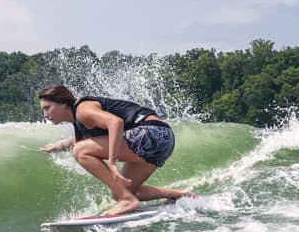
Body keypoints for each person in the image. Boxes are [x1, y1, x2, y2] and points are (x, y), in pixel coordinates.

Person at [38, 84, 190, 216]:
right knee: (121, 191)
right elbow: (87, 139)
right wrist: (58, 146)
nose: (45, 114)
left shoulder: (82, 110)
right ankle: (176, 195)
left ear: (63, 103)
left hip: (151, 133)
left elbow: (115, 123)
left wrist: (111, 162)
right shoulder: (80, 121)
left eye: (47, 108)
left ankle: (127, 200)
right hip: (164, 139)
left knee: (80, 151)